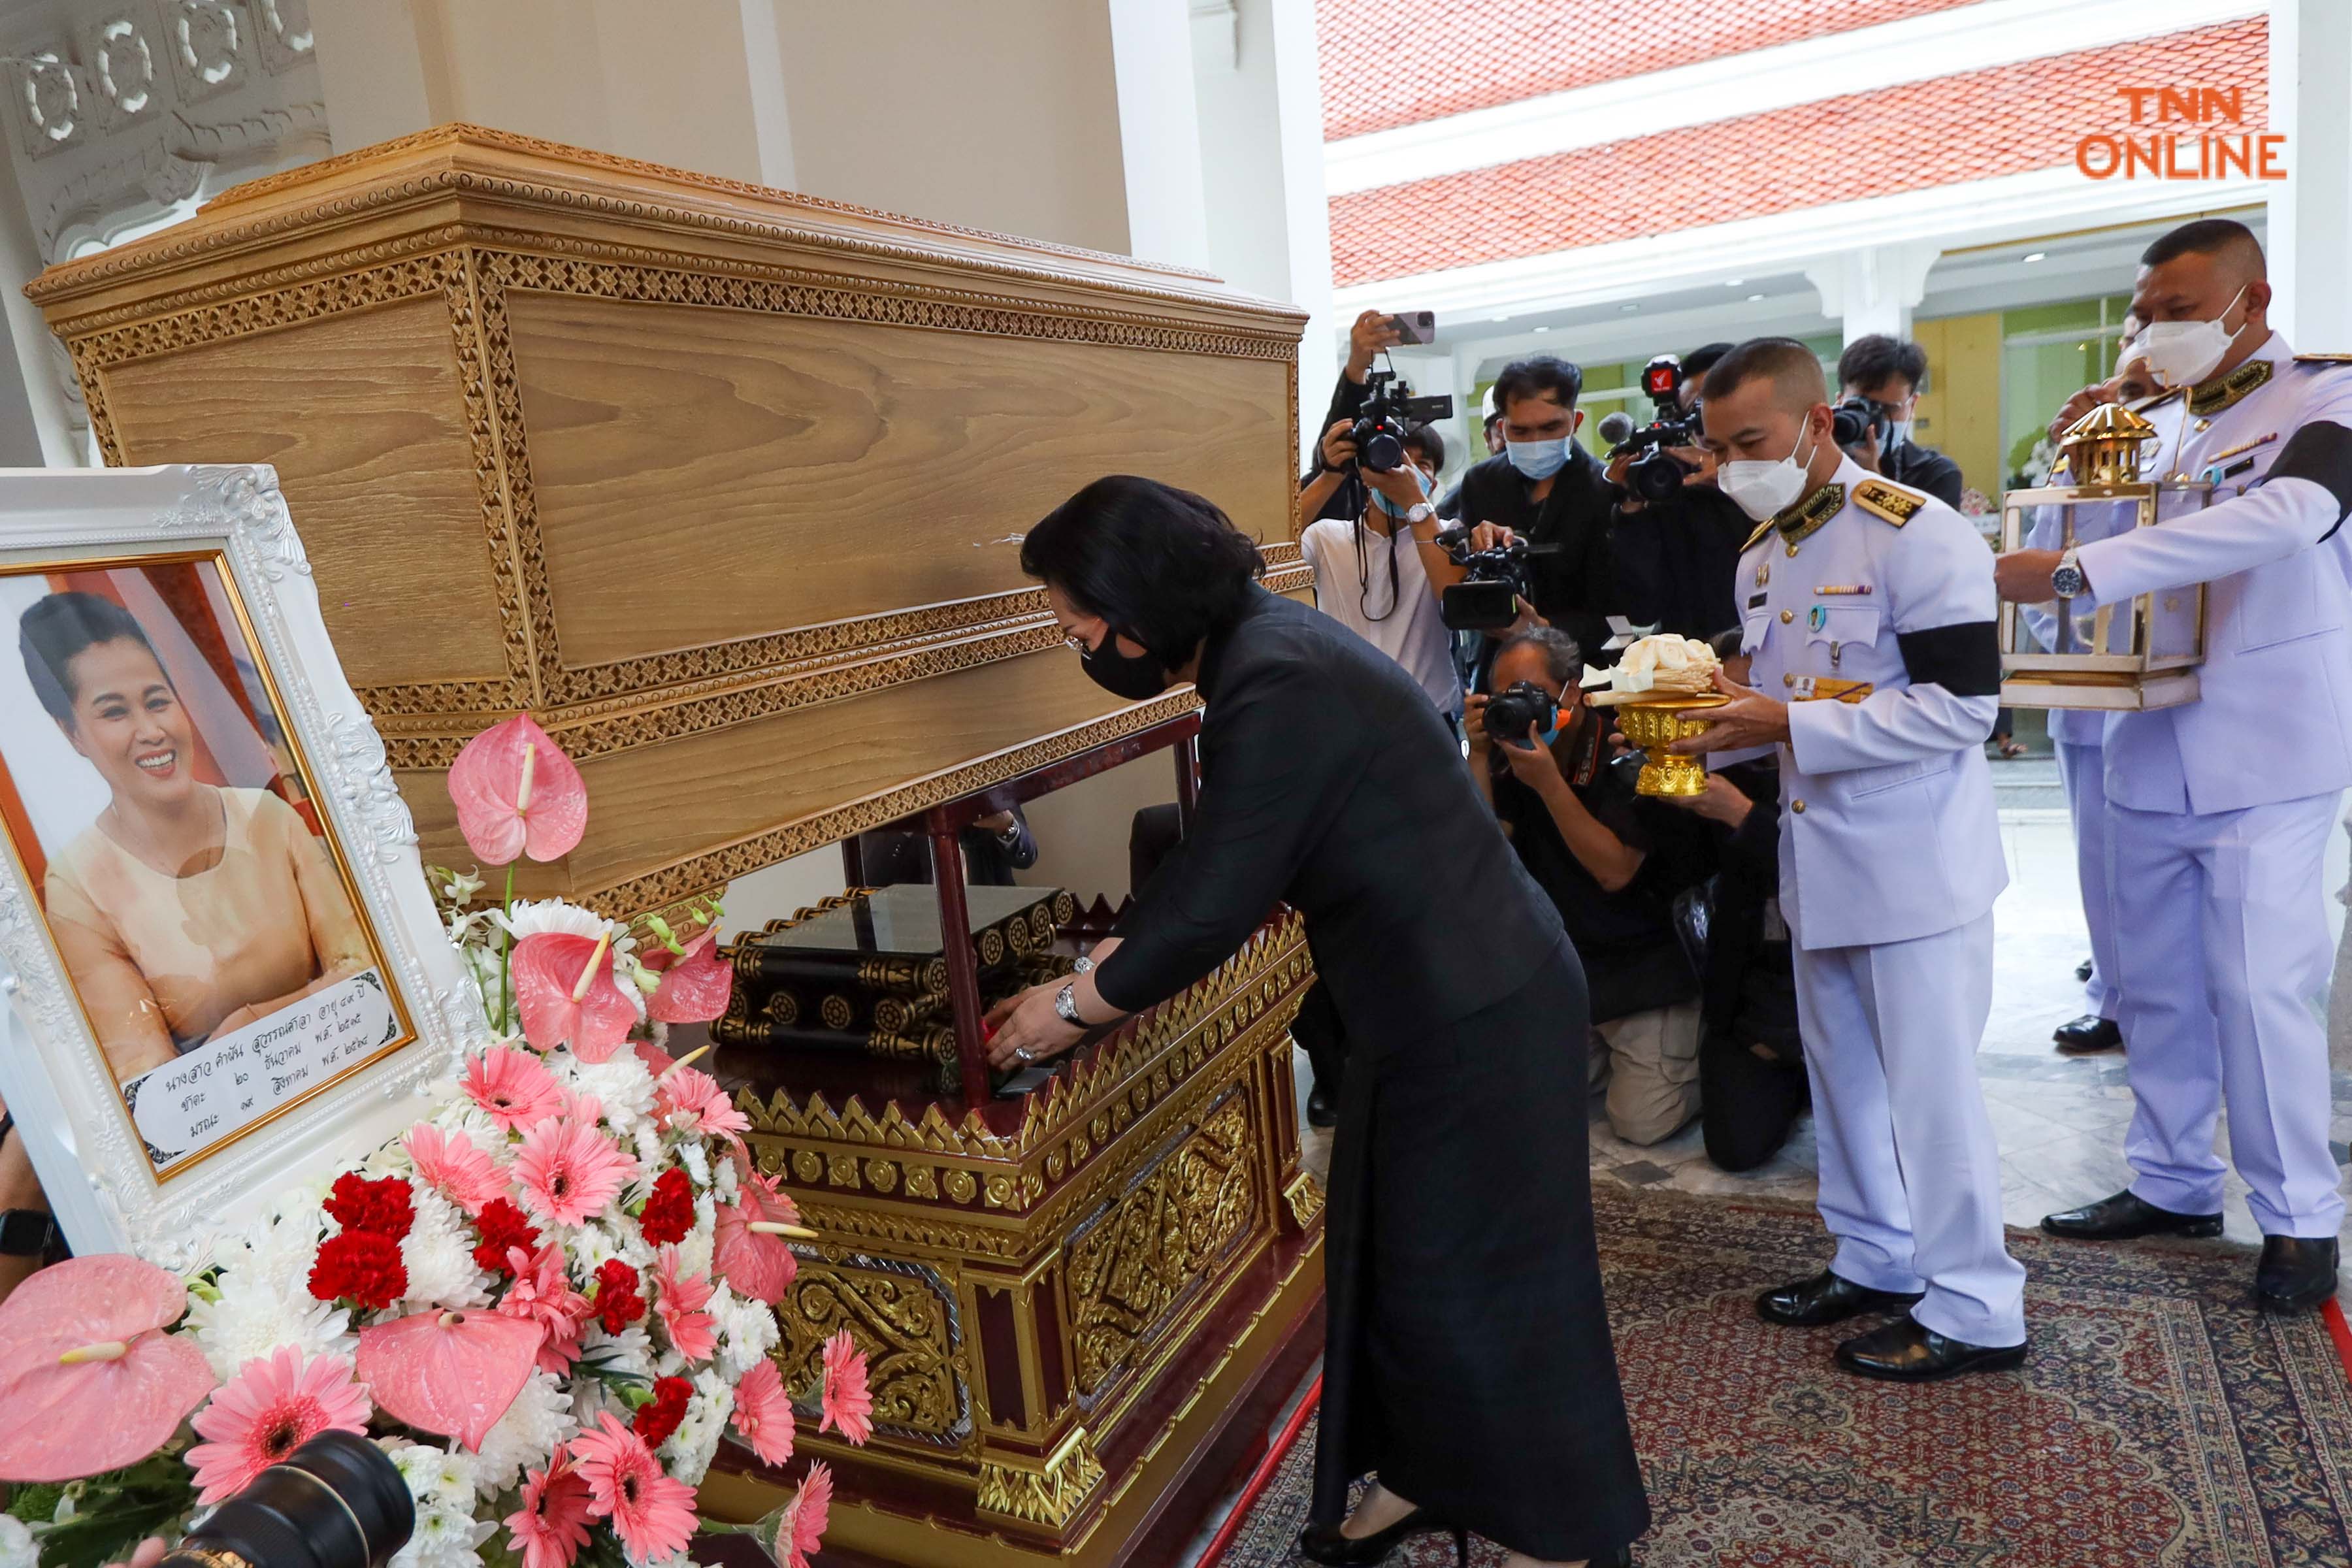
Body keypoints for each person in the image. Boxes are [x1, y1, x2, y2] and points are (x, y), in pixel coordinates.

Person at [987, 476, 1648, 1568]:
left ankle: (1559, 1538)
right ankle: (1433, 1477)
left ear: (1137, 604)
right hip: (1425, 1001)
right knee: (1406, 1268)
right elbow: (1225, 852)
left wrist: (1071, 1007)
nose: (1082, 649)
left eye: (1079, 628)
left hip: (1477, 1007)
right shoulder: (1260, 649)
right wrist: (1112, 955)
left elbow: (1219, 898)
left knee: (1490, 1282)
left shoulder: (1274, 674)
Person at [1993, 218, 2352, 1313]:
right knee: (2149, 979)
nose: (2156, 328)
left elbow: (2296, 514)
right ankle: (2174, 1178)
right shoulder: (2149, 419)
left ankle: (2301, 1220)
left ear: (2251, 303)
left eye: (2181, 310)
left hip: (2267, 741)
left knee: (2256, 986)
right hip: (2139, 733)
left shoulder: (2321, 399)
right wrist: (2075, 450)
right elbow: (2086, 510)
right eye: (2147, 310)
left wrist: (2074, 572)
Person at [1676, 338, 2025, 1381]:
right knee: (1846, 1083)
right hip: (1818, 856)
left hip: (1914, 863)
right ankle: (1875, 1255)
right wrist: (1704, 729)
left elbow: (1964, 708)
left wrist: (1781, 726)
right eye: (1720, 447)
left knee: (1932, 1095)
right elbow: (1780, 702)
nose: (1735, 465)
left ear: (1816, 422)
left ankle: (1976, 1307)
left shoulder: (1918, 535)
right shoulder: (1765, 553)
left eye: (1754, 442)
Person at [21, 592, 371, 1084]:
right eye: (115, 712)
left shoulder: (269, 818)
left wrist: (249, 1026)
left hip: (357, 1067)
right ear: (73, 734)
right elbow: (147, 1075)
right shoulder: (78, 884)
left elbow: (363, 971)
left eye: (158, 701)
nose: (152, 731)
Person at [1471, 627, 1705, 1145]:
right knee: (1524, 1091)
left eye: (1530, 693)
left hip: (1646, 967)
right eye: (1505, 697)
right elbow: (1485, 855)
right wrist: (1480, 756)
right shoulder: (1514, 755)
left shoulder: (1624, 748)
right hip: (1574, 970)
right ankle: (1609, 1052)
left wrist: (1550, 785)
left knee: (1642, 1122)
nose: (1520, 709)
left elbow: (1615, 870)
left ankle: (1702, 1046)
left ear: (1572, 692)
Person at [2031, 316, 2166, 1058]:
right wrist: (2068, 449)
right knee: (2097, 858)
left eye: (2148, 391)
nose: (2132, 405)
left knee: (2156, 863)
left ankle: (2160, 988)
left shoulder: (2182, 454)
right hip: (2085, 689)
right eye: (2126, 387)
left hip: (2166, 689)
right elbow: (2041, 557)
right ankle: (2112, 995)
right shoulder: (2082, 451)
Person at [1663, 729, 1809, 1173]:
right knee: (1735, 1146)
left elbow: (1840, 882)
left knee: (1873, 1159)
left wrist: (1747, 819)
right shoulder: (1723, 774)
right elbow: (1689, 885)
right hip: (1750, 999)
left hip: (1833, 999)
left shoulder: (1831, 759)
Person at [1440, 355, 1618, 657]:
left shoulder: (1606, 489)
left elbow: (1620, 610)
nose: (1536, 441)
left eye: (1551, 428)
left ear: (1575, 422)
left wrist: (1540, 628)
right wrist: (1471, 549)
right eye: (1520, 432)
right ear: (1502, 427)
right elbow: (1460, 582)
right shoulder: (1481, 483)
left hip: (1585, 666)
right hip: (1498, 660)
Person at [1603, 346, 1750, 640]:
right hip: (1698, 660)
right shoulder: (1669, 485)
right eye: (1695, 410)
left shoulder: (1785, 471)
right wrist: (1632, 507)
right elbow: (1641, 608)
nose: (1708, 422)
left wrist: (1732, 476)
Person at [1302, 309, 1413, 524]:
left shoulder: (1446, 533)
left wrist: (1418, 507)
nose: (1397, 469)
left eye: (1398, 459)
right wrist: (1357, 366)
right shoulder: (1328, 537)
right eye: (1382, 452)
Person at [1835, 334, 1965, 509]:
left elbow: (1925, 535)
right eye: (1860, 407)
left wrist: (1872, 483)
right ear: (1840, 401)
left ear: (1912, 406)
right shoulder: (1819, 461)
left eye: (1888, 409)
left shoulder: (1936, 473)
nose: (1873, 423)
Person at [855, 806, 1037, 887]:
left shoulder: (985, 774)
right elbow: (871, 878)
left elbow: (1027, 856)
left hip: (996, 929)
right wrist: (908, 825)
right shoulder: (886, 800)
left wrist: (1005, 824)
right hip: (924, 942)